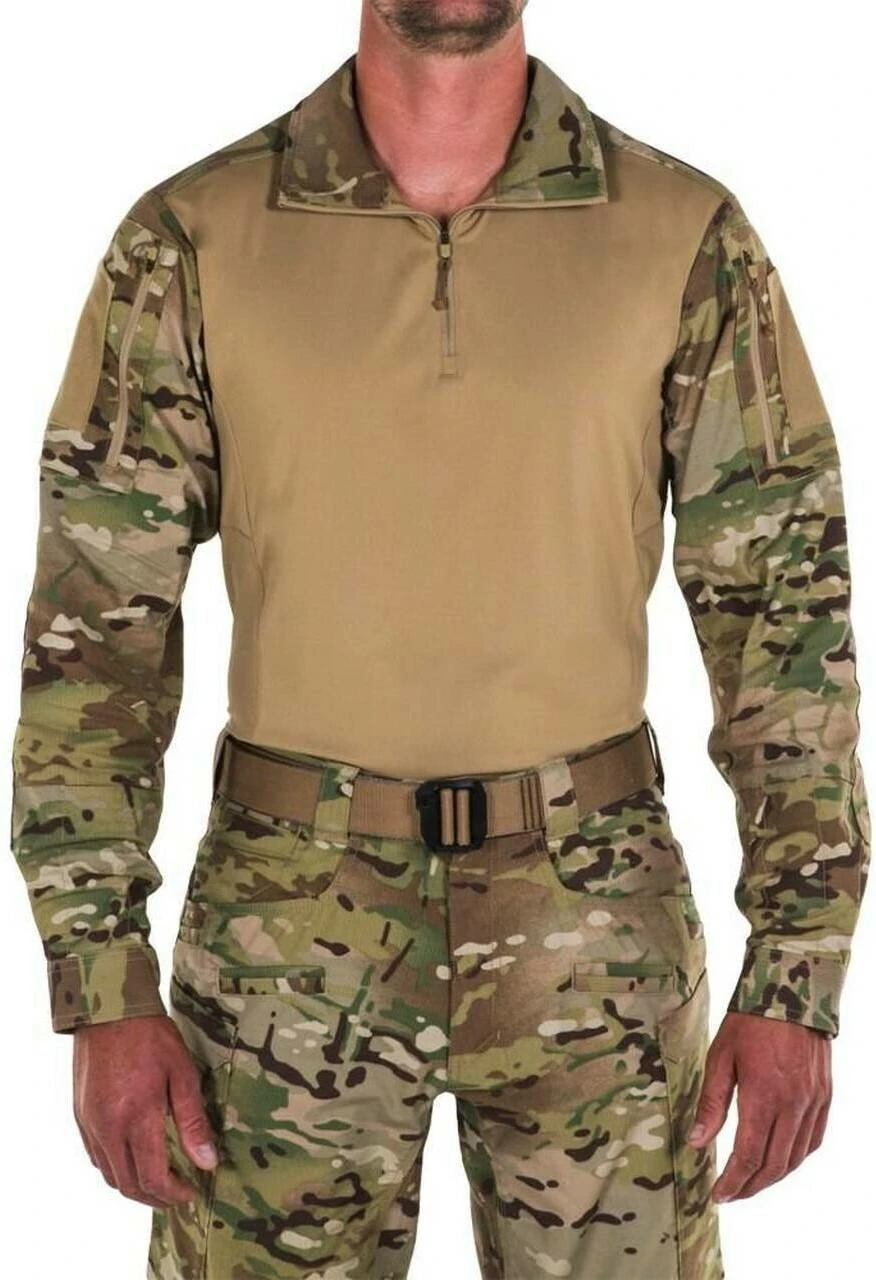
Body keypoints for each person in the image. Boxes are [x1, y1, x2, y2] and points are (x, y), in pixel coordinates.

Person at [9, 2, 870, 1277]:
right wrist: (99, 975)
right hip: (284, 935)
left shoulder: (684, 234)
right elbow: (93, 640)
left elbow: (784, 616)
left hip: (597, 919)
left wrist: (798, 970)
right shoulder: (193, 238)